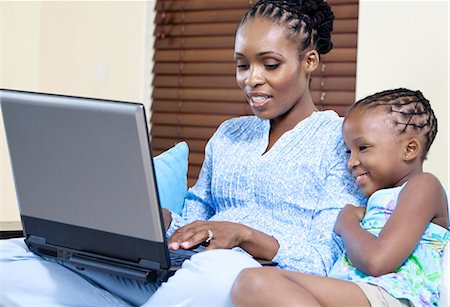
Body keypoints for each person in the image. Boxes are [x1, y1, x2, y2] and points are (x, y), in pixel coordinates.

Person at [0, 0, 366, 306]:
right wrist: (149, 219)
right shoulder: (229, 133)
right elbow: (193, 222)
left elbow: (325, 257)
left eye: (270, 65)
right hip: (183, 275)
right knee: (13, 256)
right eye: (242, 64)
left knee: (217, 268)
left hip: (240, 276)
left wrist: (245, 235)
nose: (251, 79)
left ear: (311, 62)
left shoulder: (340, 141)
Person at [231, 88, 449, 307]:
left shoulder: (423, 186)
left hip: (392, 296)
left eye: (363, 148)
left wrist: (346, 223)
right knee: (250, 281)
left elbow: (377, 261)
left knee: (256, 283)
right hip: (360, 292)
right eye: (348, 151)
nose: (351, 162)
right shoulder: (376, 198)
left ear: (410, 149)